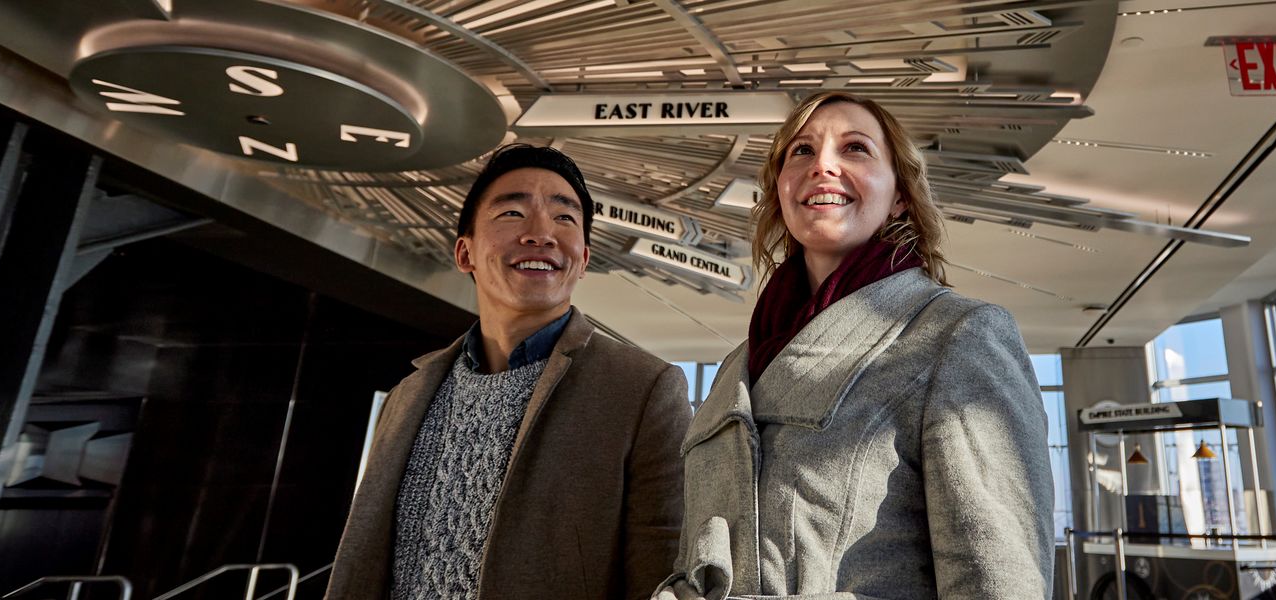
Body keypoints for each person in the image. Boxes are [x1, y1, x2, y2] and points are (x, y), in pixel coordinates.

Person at [655, 92, 1054, 599]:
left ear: (900, 194)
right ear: (780, 189)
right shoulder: (739, 363)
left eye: (856, 149)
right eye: (801, 151)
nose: (822, 165)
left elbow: (999, 578)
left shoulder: (956, 334)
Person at [325, 144, 691, 600]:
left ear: (584, 258)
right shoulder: (409, 393)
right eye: (512, 213)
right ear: (465, 253)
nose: (541, 233)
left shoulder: (643, 389)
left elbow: (662, 572)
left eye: (565, 218)